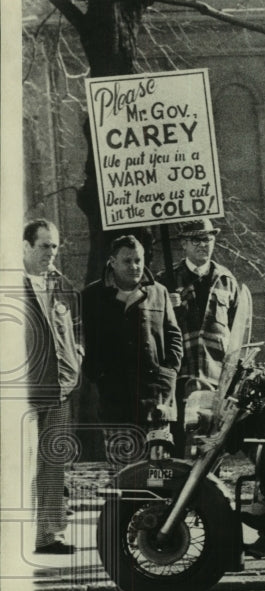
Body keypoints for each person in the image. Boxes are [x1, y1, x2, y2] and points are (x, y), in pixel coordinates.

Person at [22, 219, 84, 554]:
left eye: (55, 246)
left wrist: (79, 355)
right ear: (26, 246)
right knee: (24, 462)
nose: (51, 253)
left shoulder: (60, 283)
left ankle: (48, 535)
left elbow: (75, 324)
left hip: (59, 388)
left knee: (52, 461)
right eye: (45, 245)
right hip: (25, 391)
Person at [81, 235, 183, 436]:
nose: (134, 266)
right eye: (127, 261)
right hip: (115, 401)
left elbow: (173, 334)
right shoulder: (93, 296)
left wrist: (169, 370)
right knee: (124, 465)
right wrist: (97, 373)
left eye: (138, 260)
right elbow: (85, 339)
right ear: (112, 262)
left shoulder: (158, 292)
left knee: (158, 465)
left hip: (156, 399)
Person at [157, 219, 244, 454]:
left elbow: (237, 330)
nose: (203, 245)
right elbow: (151, 329)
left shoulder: (227, 280)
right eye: (196, 240)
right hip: (180, 373)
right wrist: (166, 307)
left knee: (210, 442)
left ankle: (207, 488)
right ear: (183, 244)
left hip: (217, 375)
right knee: (176, 439)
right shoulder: (165, 281)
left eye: (208, 239)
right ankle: (176, 489)